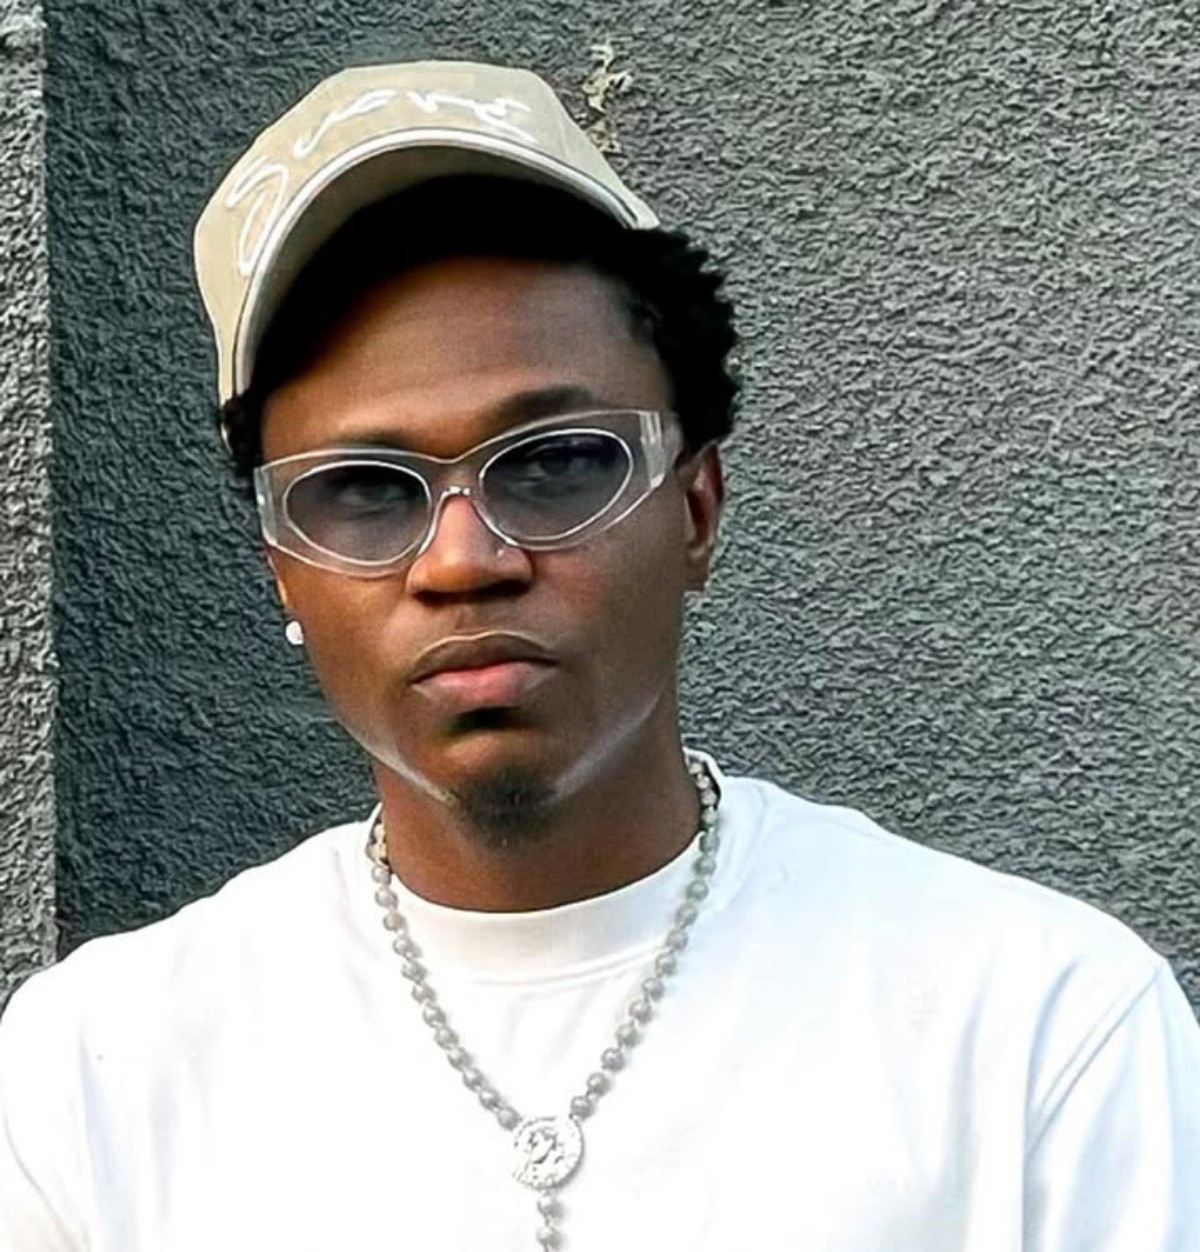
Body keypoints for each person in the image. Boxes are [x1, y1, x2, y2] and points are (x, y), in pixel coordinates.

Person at [1, 58, 1197, 1252]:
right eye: (363, 490)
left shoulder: (1040, 1033)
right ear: (283, 566)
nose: (463, 559)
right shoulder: (95, 1080)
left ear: (696, 508)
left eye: (557, 462)